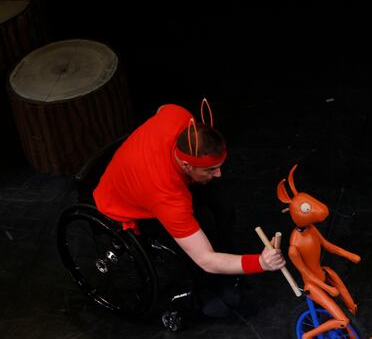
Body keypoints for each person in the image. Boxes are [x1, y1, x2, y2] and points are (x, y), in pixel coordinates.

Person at [93, 100, 286, 317]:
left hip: (153, 178)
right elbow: (205, 259)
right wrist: (260, 263)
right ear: (186, 165)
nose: (219, 173)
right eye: (210, 169)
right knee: (203, 223)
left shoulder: (179, 117)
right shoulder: (167, 197)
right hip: (127, 204)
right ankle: (204, 288)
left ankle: (227, 268)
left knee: (223, 202)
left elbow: (162, 109)